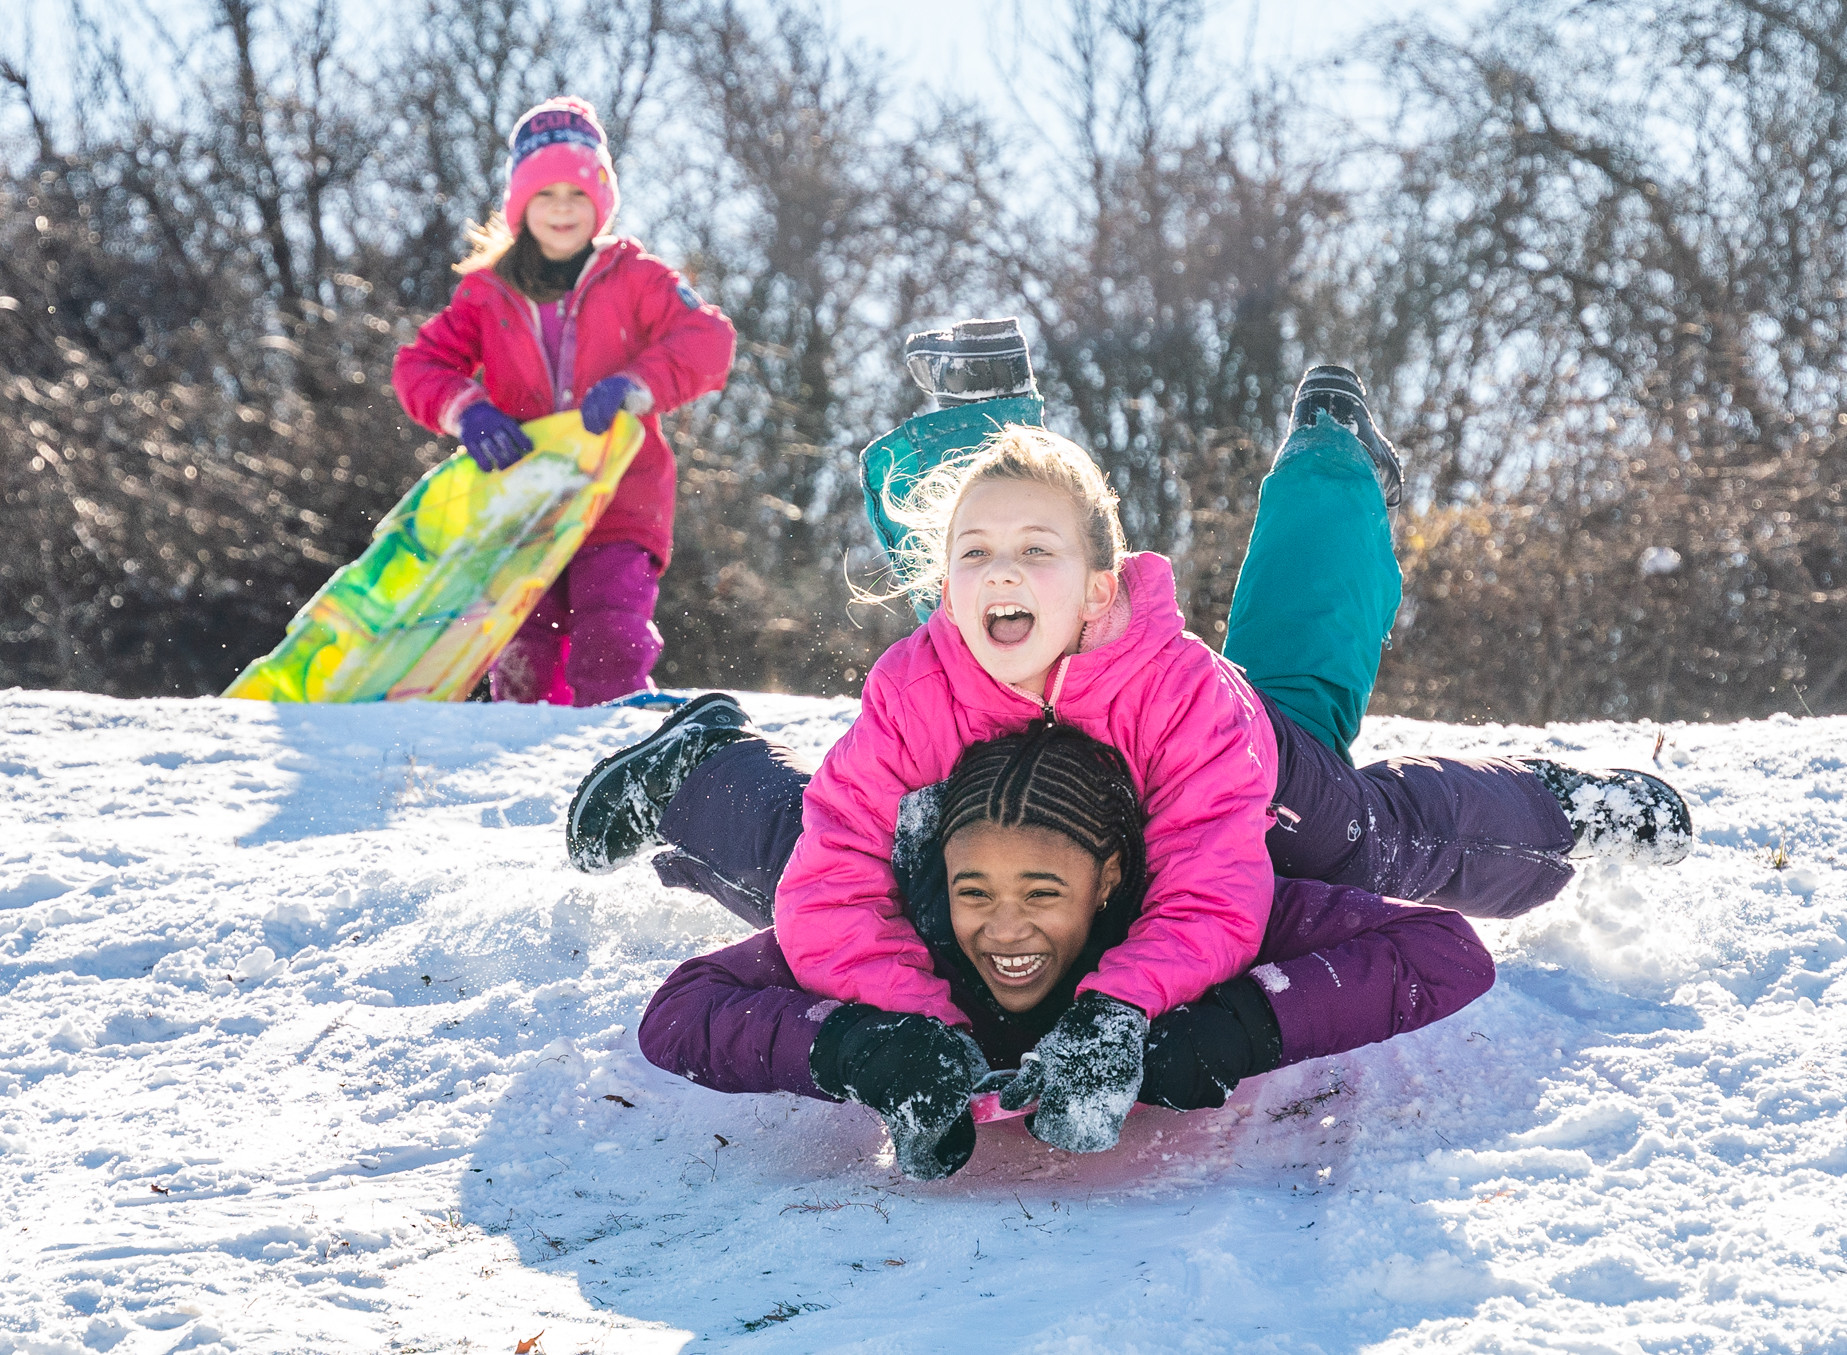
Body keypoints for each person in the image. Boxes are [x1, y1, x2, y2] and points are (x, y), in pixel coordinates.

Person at [568, 348, 1692, 1154]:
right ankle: (703, 764)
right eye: (973, 556)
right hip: (1046, 827)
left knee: (1362, 842)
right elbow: (832, 876)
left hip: (1248, 780)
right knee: (883, 887)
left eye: (1035, 554)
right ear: (940, 585)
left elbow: (1214, 881)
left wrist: (1124, 1009)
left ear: (1100, 587)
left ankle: (1544, 779)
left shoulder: (1170, 686)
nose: (1000, 575)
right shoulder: (920, 682)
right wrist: (914, 1024)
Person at [637, 723, 1498, 1180]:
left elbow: (1445, 950)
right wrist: (859, 1048)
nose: (1004, 929)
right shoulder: (898, 921)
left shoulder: (1194, 923)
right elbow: (681, 1010)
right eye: (975, 893)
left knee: (1354, 816)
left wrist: (1226, 1031)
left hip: (1229, 746)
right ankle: (700, 764)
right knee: (789, 854)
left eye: (1043, 896)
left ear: (1109, 879)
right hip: (911, 815)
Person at [392, 96, 735, 706]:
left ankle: (615, 749)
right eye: (546, 195)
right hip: (524, 500)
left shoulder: (636, 277)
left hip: (620, 497)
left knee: (611, 637)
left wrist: (636, 385)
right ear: (521, 205)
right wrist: (469, 409)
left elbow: (708, 340)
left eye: (578, 195)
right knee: (524, 648)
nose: (563, 210)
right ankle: (526, 763)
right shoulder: (487, 293)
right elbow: (420, 364)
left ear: (600, 204)